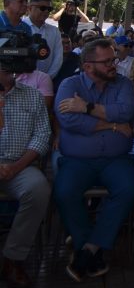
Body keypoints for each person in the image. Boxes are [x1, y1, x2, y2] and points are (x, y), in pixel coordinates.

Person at [53, 38, 134, 282]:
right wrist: (113, 125)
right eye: (107, 61)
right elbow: (69, 120)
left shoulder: (123, 83)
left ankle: (88, 249)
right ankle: (90, 247)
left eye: (114, 59)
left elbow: (126, 111)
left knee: (128, 189)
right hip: (77, 160)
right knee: (64, 192)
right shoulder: (70, 85)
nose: (114, 64)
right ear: (88, 66)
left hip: (116, 159)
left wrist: (87, 107)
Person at [0, 59, 52, 288]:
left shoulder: (32, 95)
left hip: (19, 165)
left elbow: (42, 135)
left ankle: (13, 258)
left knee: (38, 189)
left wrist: (17, 166)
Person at [23, 0, 63, 78]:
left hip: (47, 80)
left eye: (49, 9)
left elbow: (58, 57)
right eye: (42, 8)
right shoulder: (18, 27)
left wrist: (48, 78)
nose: (46, 11)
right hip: (21, 79)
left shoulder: (54, 31)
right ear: (30, 8)